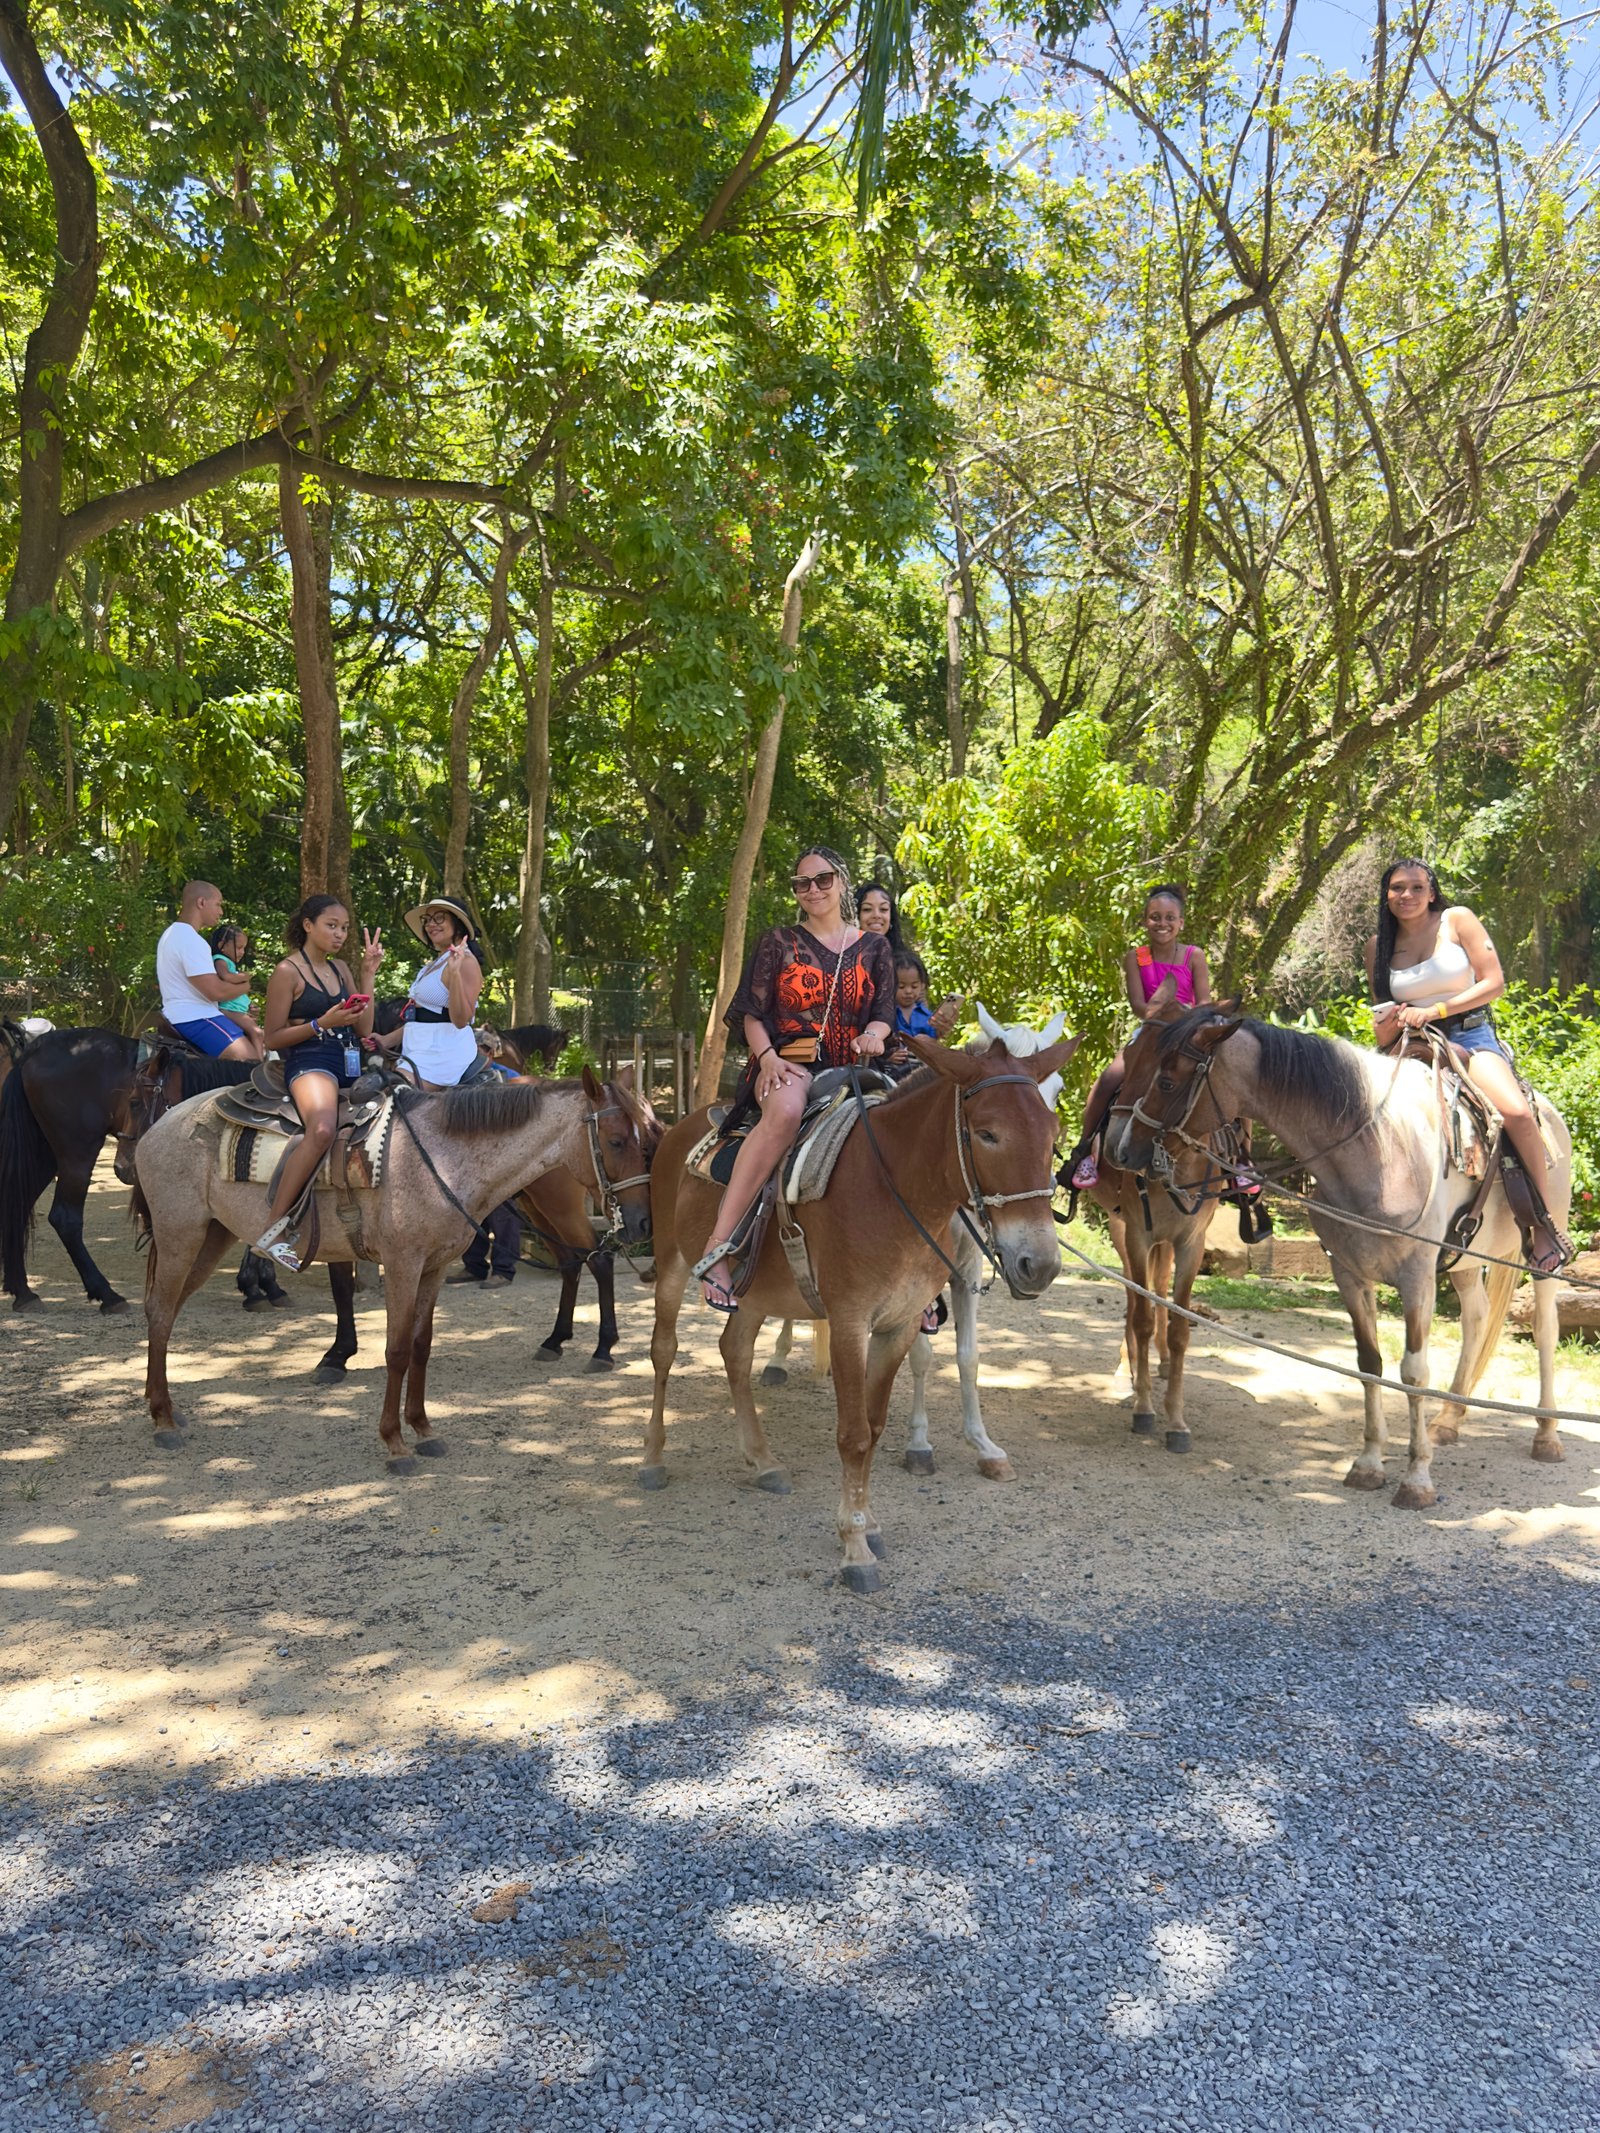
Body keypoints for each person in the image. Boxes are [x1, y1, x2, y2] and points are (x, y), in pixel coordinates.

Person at [695, 847, 895, 1311]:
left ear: (841, 882)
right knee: (785, 1113)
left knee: (912, 1122)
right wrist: (766, 1057)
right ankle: (718, 1248)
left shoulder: (875, 947)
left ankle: (924, 1266)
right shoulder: (778, 942)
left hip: (856, 1068)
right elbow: (750, 1013)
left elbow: (884, 1013)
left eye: (823, 880)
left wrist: (874, 1034)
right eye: (802, 883)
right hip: (788, 1064)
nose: (813, 890)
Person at [1366, 857, 1573, 1274]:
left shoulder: (1457, 921)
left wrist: (1436, 1009)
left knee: (1516, 1112)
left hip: (1468, 1036)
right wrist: (1386, 1027)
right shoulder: (1377, 946)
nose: (1407, 895)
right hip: (1411, 1043)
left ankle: (1543, 1224)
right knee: (1360, 1114)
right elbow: (1383, 1010)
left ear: (1432, 893)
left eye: (1417, 887)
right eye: (1397, 888)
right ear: (1386, 895)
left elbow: (1494, 983)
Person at [253, 896, 383, 1272]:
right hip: (310, 1062)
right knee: (323, 1129)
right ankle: (273, 1230)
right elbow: (272, 1037)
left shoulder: (341, 969)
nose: (340, 934)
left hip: (349, 1060)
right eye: (331, 925)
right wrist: (320, 1024)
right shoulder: (287, 971)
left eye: (344, 928)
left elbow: (364, 1028)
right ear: (308, 925)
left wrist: (368, 974)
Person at [1069, 884, 1212, 1189]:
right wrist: (1160, 1017)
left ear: (1181, 922)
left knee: (1226, 1075)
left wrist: (1184, 1019)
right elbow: (1137, 1004)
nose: (1162, 923)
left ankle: (1241, 1160)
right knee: (1108, 1080)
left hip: (1187, 1031)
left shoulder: (1193, 956)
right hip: (1151, 1031)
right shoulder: (1137, 957)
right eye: (1155, 917)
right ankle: (1085, 1150)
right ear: (1145, 921)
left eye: (1170, 917)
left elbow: (1204, 1003)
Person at [369, 897, 483, 1089]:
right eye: (427, 919)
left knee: (390, 1093)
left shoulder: (466, 962)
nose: (431, 924)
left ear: (457, 923)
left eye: (439, 918)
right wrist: (386, 1040)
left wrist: (454, 974)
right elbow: (423, 1018)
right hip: (417, 1051)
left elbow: (461, 1020)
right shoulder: (432, 965)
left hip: (443, 1053)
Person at [154, 881, 260, 1062]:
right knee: (250, 1061)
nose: (221, 912)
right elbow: (215, 992)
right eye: (218, 904)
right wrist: (246, 986)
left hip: (181, 1015)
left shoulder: (172, 933)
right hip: (196, 1017)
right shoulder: (190, 939)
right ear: (201, 902)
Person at [207, 922, 265, 1059]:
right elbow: (226, 976)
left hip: (238, 1009)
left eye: (243, 948)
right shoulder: (220, 960)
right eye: (238, 948)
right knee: (257, 1033)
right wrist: (244, 977)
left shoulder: (230, 964)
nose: (242, 952)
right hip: (230, 1009)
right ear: (222, 945)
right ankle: (259, 1063)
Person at [857, 881, 905, 956]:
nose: (876, 915)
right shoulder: (842, 958)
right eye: (867, 909)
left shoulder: (905, 961)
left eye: (883, 909)